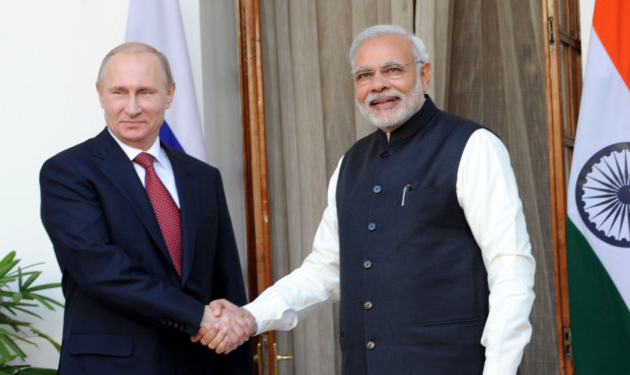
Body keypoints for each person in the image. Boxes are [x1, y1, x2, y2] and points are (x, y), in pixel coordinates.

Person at [202, 24, 536, 374]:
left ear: (424, 73)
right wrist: (251, 315)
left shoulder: (473, 146)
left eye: (393, 70)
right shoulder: (351, 163)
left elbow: (511, 267)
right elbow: (324, 271)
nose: (378, 85)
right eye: (365, 75)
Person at [39, 42, 253, 374]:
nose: (132, 107)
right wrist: (198, 317)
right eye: (119, 92)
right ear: (100, 95)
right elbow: (102, 270)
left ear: (169, 94)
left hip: (198, 365)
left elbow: (224, 281)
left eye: (146, 92)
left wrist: (235, 349)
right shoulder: (68, 172)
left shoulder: (203, 177)